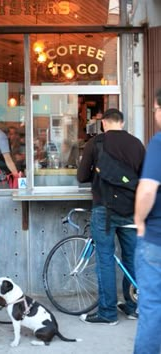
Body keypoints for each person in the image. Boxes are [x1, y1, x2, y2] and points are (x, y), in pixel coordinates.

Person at [77, 108, 145, 325]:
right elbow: (143, 179)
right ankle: (133, 306)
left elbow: (81, 176)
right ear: (122, 123)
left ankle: (108, 313)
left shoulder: (95, 143)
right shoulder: (137, 144)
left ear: (104, 123)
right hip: (131, 210)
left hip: (104, 209)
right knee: (131, 258)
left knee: (105, 259)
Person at [133, 88, 161, 353]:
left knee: (153, 306)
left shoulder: (160, 141)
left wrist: (139, 220)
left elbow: (148, 189)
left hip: (157, 238)